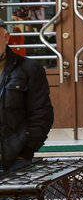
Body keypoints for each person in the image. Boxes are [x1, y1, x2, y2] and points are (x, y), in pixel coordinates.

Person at [0, 23, 53, 173]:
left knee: (14, 197)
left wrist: (26, 152)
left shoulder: (29, 69)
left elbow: (42, 114)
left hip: (14, 161)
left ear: (6, 38)